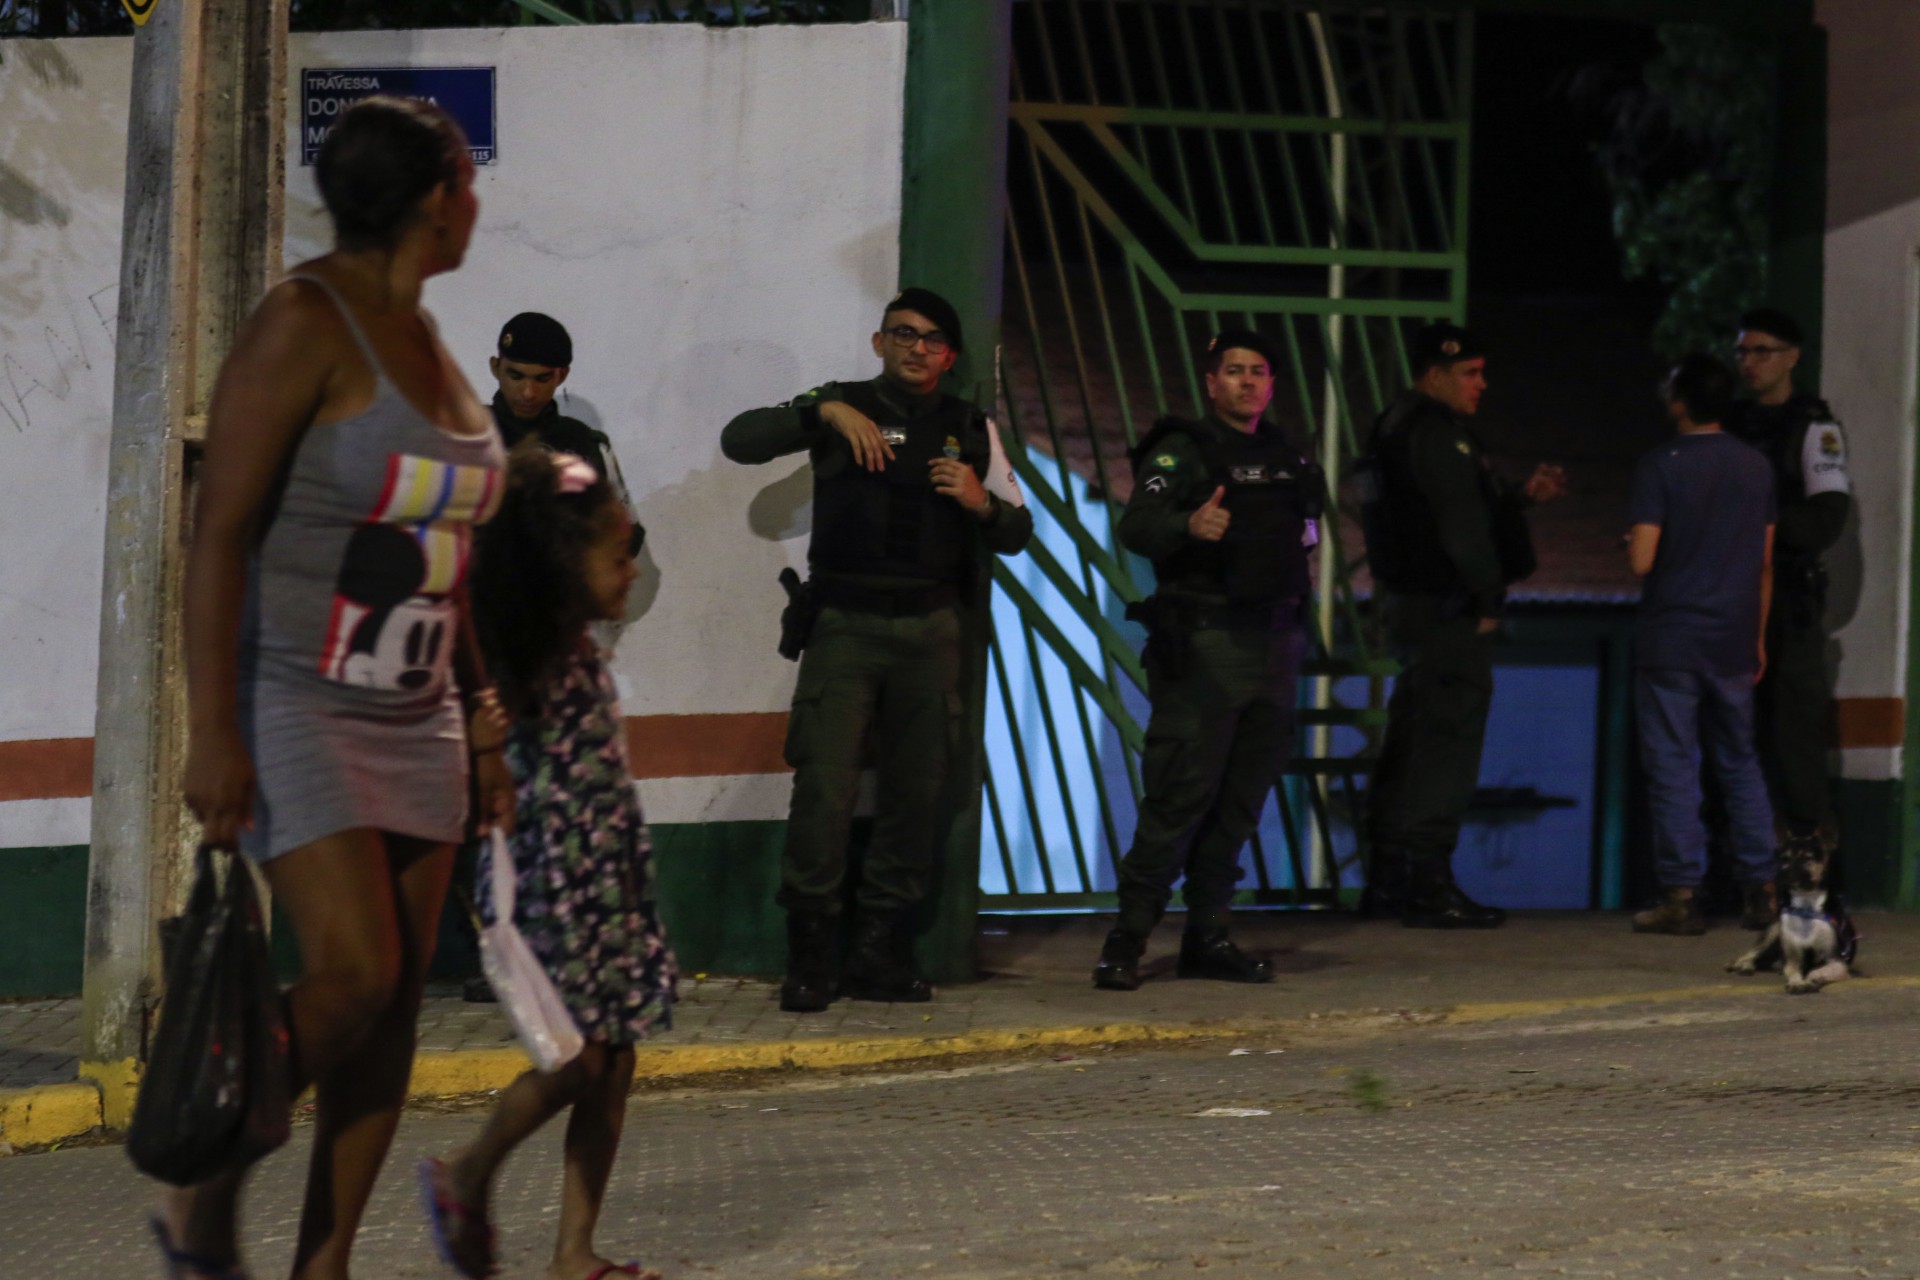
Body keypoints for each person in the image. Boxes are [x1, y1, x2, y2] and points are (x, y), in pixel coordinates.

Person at [174, 97, 511, 1280]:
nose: (475, 204)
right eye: (467, 182)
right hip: (299, 701)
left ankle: (324, 1263)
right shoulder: (302, 322)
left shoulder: (423, 334)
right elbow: (217, 536)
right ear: (438, 194)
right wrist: (213, 729)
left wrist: (477, 717)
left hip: (418, 716)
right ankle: (204, 1181)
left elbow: (445, 552)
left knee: (395, 1003)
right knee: (354, 971)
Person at [721, 288, 1032, 1012]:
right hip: (845, 629)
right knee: (824, 793)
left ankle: (877, 953)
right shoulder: (840, 405)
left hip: (930, 632)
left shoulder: (969, 426)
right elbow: (741, 440)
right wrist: (819, 409)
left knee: (915, 794)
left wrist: (978, 502)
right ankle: (811, 957)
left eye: (930, 340)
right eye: (902, 335)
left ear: (949, 356)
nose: (915, 349)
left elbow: (1020, 530)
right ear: (878, 342)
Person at [421, 445, 677, 1280]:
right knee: (582, 1059)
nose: (632, 570)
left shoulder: (575, 648)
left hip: (608, 882)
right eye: (618, 553)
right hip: (558, 887)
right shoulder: (518, 661)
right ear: (561, 564)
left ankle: (575, 1250)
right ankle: (470, 1168)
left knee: (616, 1060)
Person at [1092, 331, 1319, 991]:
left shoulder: (1288, 456)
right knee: (1179, 797)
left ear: (1271, 384)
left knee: (1241, 801)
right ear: (1212, 382)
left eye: (1259, 371)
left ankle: (1208, 935)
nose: (1247, 382)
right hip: (1207, 645)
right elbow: (1136, 526)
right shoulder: (1183, 450)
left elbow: (1307, 532)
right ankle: (1127, 940)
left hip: (1273, 645)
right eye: (1234, 371)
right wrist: (1187, 525)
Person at [1359, 322, 1566, 928]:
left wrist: (1520, 497)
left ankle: (1390, 879)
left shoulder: (1395, 427)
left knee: (1414, 735)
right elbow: (1458, 525)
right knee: (1445, 741)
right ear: (1434, 375)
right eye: (1470, 373)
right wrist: (1487, 601)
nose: (1483, 384)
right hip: (1444, 609)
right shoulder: (1434, 434)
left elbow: (1446, 508)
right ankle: (1428, 885)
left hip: (1411, 605)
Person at [1627, 354, 1778, 935]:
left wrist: (1632, 543)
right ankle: (1761, 890)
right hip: (1735, 638)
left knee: (1673, 765)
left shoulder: (1659, 465)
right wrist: (1758, 639)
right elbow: (1764, 564)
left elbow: (1643, 558)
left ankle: (1681, 894)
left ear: (1680, 403)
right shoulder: (1755, 467)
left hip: (1672, 638)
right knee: (1740, 762)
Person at [1725, 307, 1851, 904]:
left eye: (1762, 352)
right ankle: (1748, 874)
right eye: (1743, 353)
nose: (1750, 363)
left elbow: (1827, 517)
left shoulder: (1815, 427)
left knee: (1793, 733)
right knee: (1731, 734)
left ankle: (1807, 871)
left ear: (1792, 357)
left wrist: (1760, 529)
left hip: (1790, 602)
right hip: (1731, 596)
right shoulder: (1730, 423)